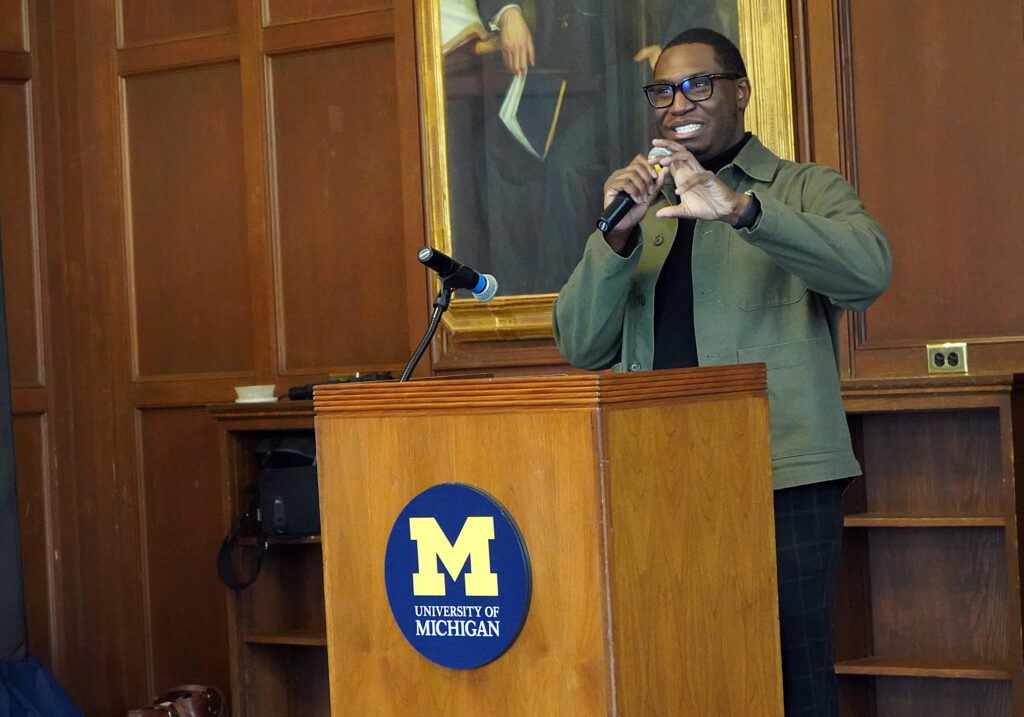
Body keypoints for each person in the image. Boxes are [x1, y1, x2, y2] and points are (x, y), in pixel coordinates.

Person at [552, 27, 892, 717]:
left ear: (740, 92)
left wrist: (742, 211)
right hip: (659, 477)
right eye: (664, 91)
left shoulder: (802, 187)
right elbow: (580, 344)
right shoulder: (639, 212)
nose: (679, 103)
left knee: (792, 674)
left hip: (782, 477)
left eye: (698, 85)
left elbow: (868, 274)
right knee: (679, 664)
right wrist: (614, 236)